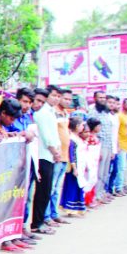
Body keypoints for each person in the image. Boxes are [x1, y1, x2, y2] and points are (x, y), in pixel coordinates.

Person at [30, 87, 61, 235]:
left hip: (49, 155)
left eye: (57, 96)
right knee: (43, 191)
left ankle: (41, 220)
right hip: (44, 155)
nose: (55, 99)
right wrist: (55, 151)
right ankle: (37, 223)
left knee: (47, 190)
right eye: (53, 96)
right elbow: (47, 136)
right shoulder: (41, 114)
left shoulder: (49, 112)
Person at [46, 87, 71, 226]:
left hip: (65, 154)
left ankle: (54, 213)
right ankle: (47, 215)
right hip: (55, 155)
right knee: (51, 187)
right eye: (64, 98)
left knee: (57, 188)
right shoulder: (52, 112)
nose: (67, 101)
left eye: (69, 99)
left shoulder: (65, 113)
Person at [89, 91, 116, 204]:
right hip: (98, 146)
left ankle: (100, 194)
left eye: (104, 97)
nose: (102, 99)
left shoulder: (106, 112)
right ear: (95, 98)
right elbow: (91, 130)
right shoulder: (93, 112)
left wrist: (112, 150)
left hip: (108, 145)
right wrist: (96, 148)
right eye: (100, 97)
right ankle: (94, 196)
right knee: (98, 173)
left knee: (105, 172)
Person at [59, 117, 88, 216]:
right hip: (74, 167)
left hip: (80, 165)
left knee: (78, 187)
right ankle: (69, 208)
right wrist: (74, 168)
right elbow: (72, 155)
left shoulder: (77, 138)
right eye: (81, 125)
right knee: (72, 187)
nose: (83, 127)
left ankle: (77, 208)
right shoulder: (72, 139)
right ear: (76, 126)